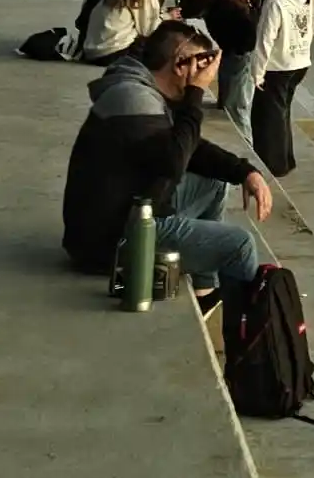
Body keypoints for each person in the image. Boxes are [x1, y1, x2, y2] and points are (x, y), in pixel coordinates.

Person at [61, 21, 273, 314]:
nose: (206, 78)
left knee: (214, 182)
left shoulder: (141, 88)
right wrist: (195, 95)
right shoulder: (133, 98)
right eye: (201, 69)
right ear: (179, 65)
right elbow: (174, 162)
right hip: (112, 241)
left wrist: (245, 172)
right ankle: (246, 334)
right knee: (239, 245)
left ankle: (204, 289)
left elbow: (188, 147)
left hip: (128, 211)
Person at [249, 0, 312, 176]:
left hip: (278, 67)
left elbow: (265, 40)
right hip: (299, 63)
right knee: (282, 113)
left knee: (268, 118)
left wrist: (257, 73)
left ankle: (274, 165)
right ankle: (285, 159)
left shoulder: (275, 0)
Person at [178, 0, 257, 132]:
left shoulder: (219, 11)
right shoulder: (220, 0)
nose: (198, 18)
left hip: (239, 50)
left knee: (235, 100)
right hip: (235, 49)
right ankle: (225, 108)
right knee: (229, 90)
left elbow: (231, 35)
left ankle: (243, 133)